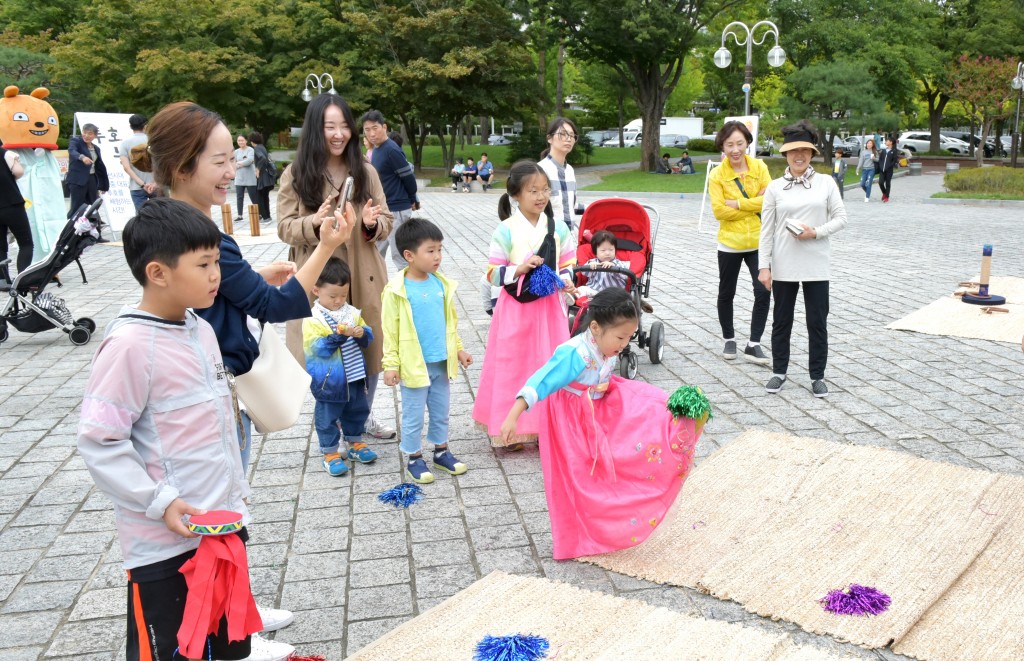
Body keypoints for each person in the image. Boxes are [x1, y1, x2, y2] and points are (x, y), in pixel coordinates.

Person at [147, 101, 356, 657]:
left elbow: (234, 295)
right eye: (220, 160)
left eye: (233, 156)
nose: (232, 170)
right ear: (182, 167)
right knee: (224, 513)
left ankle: (242, 613)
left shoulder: (173, 228)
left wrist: (243, 276)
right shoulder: (192, 234)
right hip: (211, 398)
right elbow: (280, 304)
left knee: (230, 506)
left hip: (209, 392)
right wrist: (329, 246)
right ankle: (235, 631)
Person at [77, 198, 256, 661]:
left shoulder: (200, 329)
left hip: (220, 528)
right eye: (204, 264)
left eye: (217, 261)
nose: (216, 274)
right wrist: (161, 501)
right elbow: (101, 441)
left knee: (229, 649)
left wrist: (234, 494)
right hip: (163, 547)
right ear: (158, 273)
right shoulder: (129, 347)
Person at [499, 287, 703, 560]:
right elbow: (542, 380)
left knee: (649, 413)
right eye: (620, 337)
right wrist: (514, 415)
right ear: (595, 328)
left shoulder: (604, 345)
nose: (624, 344)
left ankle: (677, 424)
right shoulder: (574, 353)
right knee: (579, 478)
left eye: (629, 337)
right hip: (572, 420)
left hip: (601, 403)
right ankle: (578, 535)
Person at [278, 93, 397, 442]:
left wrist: (372, 224)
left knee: (368, 345)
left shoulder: (366, 171)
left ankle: (362, 417)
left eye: (344, 126)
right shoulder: (296, 174)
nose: (338, 134)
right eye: (330, 126)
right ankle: (331, 423)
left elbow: (387, 219)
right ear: (316, 129)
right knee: (323, 349)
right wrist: (313, 223)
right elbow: (285, 226)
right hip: (319, 274)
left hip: (363, 271)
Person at [472, 160, 576, 448]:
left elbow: (568, 262)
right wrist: (519, 269)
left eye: (545, 190)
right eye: (533, 190)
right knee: (513, 364)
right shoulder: (504, 230)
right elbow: (492, 273)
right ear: (515, 194)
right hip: (516, 309)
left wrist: (566, 278)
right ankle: (510, 430)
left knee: (549, 363)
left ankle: (547, 426)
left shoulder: (559, 229)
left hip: (550, 307)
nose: (541, 196)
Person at [758, 119, 848, 398]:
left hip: (816, 265)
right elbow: (767, 230)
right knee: (781, 320)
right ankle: (779, 371)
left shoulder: (826, 183)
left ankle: (817, 376)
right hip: (784, 265)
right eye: (793, 151)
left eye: (805, 151)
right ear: (785, 154)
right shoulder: (774, 188)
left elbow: (841, 218)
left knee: (817, 322)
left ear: (812, 153)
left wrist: (816, 232)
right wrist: (764, 266)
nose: (799, 156)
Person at [381, 218, 473, 484]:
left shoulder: (441, 285)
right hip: (413, 366)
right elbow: (391, 332)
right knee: (413, 414)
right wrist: (391, 365)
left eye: (440, 250)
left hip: (440, 364)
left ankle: (441, 451)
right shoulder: (396, 291)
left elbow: (450, 324)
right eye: (430, 251)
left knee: (441, 409)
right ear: (409, 255)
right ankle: (414, 456)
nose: (437, 257)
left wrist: (458, 350)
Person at [303, 258, 376, 477]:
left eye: (343, 295)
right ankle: (330, 452)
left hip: (354, 375)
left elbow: (367, 334)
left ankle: (355, 443)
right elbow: (317, 349)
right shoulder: (313, 318)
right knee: (327, 416)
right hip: (329, 380)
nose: (338, 301)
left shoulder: (351, 312)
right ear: (316, 290)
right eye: (332, 296)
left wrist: (364, 333)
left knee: (357, 409)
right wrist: (338, 336)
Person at [709, 120, 773, 365]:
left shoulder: (760, 167)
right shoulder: (717, 175)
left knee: (763, 290)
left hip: (759, 241)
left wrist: (737, 204)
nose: (735, 149)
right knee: (727, 292)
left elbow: (770, 202)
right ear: (722, 147)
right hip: (729, 243)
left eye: (740, 143)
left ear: (747, 143)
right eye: (729, 144)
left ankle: (754, 343)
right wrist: (753, 204)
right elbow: (718, 212)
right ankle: (729, 338)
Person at [361, 110, 419, 268]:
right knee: (375, 252)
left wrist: (412, 199)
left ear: (384, 127)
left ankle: (407, 290)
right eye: (367, 130)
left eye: (375, 128)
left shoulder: (391, 150)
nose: (371, 133)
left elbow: (408, 178)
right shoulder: (378, 149)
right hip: (384, 209)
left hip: (397, 210)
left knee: (399, 256)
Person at [538, 118, 578, 229]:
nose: (568, 139)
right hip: (548, 236)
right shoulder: (540, 170)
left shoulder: (570, 170)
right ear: (549, 138)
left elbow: (570, 206)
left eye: (572, 135)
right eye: (563, 134)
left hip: (569, 237)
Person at [0, 142, 33, 274]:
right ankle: (22, 279)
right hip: (12, 203)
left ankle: (2, 280)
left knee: (1, 246)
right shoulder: (6, 153)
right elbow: (19, 172)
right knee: (26, 243)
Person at [66, 123, 109, 218]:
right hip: (77, 180)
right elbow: (72, 150)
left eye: (90, 133)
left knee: (93, 203)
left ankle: (89, 225)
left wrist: (104, 185)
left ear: (95, 135)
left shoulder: (96, 148)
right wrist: (82, 157)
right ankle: (71, 227)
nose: (86, 135)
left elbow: (99, 167)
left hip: (91, 178)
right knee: (77, 205)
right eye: (84, 133)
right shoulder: (76, 141)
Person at [119, 114, 156, 212]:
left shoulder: (125, 144)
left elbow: (126, 167)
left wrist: (143, 184)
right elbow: (163, 164)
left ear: (131, 127)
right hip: (156, 185)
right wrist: (154, 183)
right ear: (146, 126)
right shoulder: (155, 141)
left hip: (137, 187)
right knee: (160, 216)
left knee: (142, 218)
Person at [575, 230, 629, 298]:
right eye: (603, 250)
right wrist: (590, 267)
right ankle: (576, 298)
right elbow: (584, 273)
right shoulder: (592, 262)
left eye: (611, 250)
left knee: (622, 296)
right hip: (595, 291)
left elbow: (625, 276)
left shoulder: (618, 263)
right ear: (595, 252)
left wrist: (613, 267)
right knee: (581, 289)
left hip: (613, 293)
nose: (607, 253)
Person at [250, 131, 276, 223]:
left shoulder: (257, 148)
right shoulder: (262, 147)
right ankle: (268, 216)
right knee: (265, 197)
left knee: (260, 197)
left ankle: (265, 217)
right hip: (268, 176)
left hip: (262, 177)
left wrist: (257, 168)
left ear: (252, 141)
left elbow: (262, 158)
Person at [233, 134, 258, 221]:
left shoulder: (250, 150)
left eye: (242, 140)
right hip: (239, 177)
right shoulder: (236, 152)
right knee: (239, 197)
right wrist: (242, 163)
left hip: (250, 177)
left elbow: (250, 161)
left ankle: (258, 213)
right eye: (239, 140)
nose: (241, 142)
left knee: (253, 196)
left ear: (246, 141)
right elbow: (233, 163)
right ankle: (240, 215)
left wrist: (239, 163)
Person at [856, 138, 878, 202]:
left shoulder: (875, 151)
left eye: (870, 143)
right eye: (868, 143)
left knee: (868, 183)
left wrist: (874, 158)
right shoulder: (863, 152)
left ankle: (867, 197)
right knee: (862, 184)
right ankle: (868, 192)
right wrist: (858, 168)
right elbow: (861, 161)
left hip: (871, 170)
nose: (869, 144)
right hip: (864, 170)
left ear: (873, 144)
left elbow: (878, 160)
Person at [877, 135, 898, 203]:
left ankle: (886, 197)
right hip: (882, 170)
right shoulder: (883, 150)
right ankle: (884, 193)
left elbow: (894, 161)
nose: (886, 142)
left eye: (887, 141)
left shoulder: (894, 151)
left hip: (889, 170)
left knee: (888, 183)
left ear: (891, 142)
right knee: (880, 182)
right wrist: (880, 166)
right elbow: (880, 159)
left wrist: (888, 166)